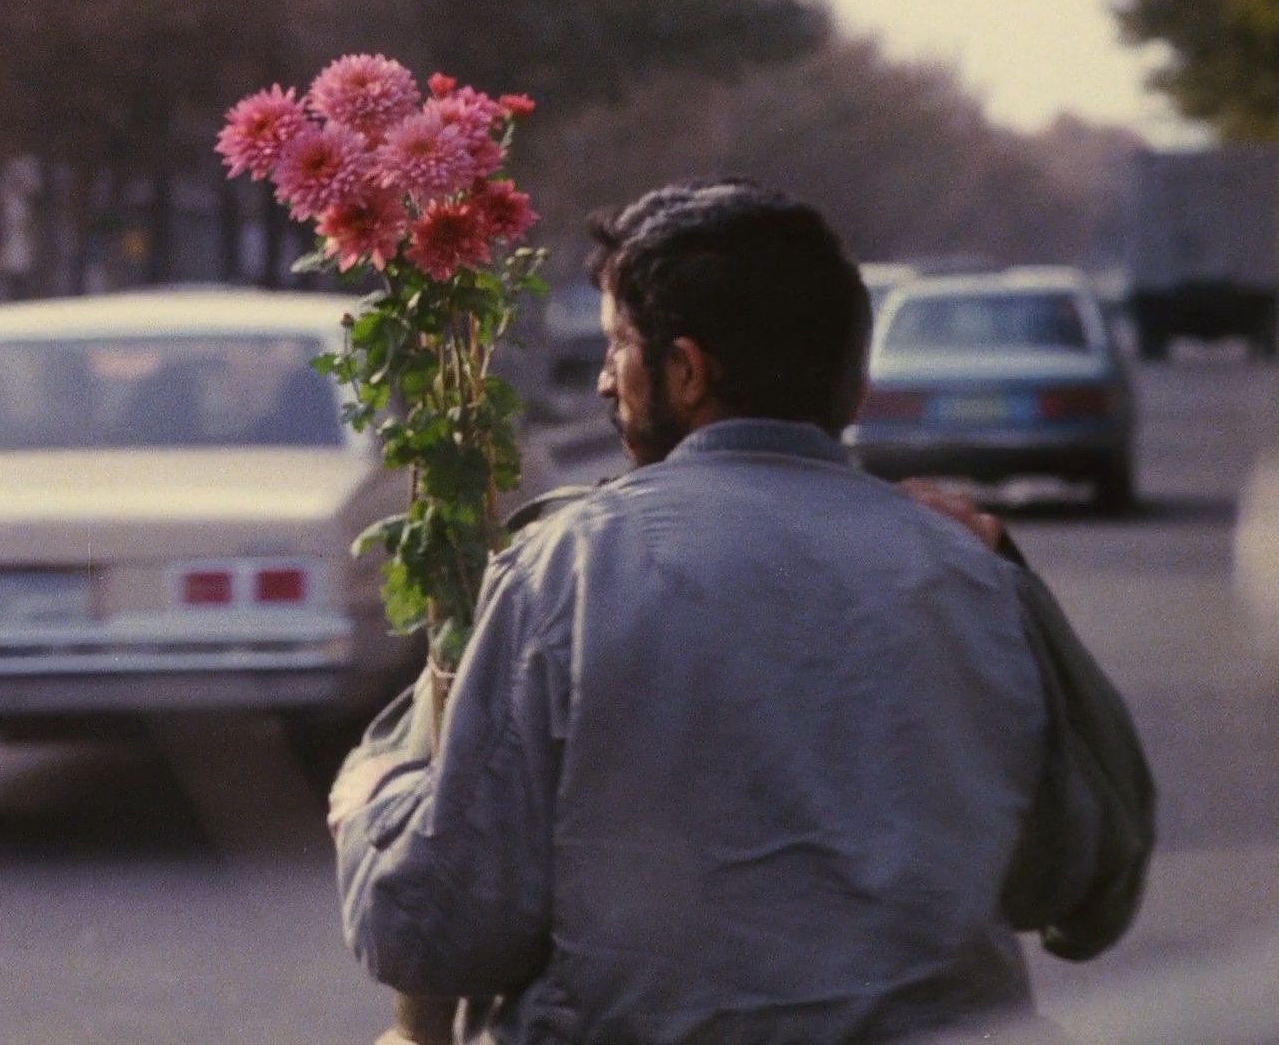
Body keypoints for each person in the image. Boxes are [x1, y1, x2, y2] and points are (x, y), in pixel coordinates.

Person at [330, 181, 1148, 1044]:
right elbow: (1079, 890)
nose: (605, 378)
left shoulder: (565, 566)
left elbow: (435, 932)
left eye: (617, 347)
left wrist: (376, 798)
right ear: (857, 386)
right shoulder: (970, 570)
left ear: (686, 371)